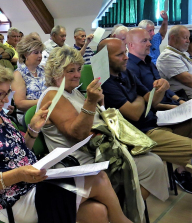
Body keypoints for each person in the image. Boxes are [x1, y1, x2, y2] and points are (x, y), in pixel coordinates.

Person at [0, 61, 132, 223]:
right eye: (0, 94)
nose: (5, 99)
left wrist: (32, 130)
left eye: (7, 93)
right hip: (11, 200)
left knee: (97, 211)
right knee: (99, 179)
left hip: (30, 184)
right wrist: (18, 175)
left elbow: (18, 153)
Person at [37, 45, 168, 222]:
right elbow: (77, 134)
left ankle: (121, 209)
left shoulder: (72, 92)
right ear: (55, 72)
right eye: (70, 71)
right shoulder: (53, 95)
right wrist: (91, 102)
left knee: (153, 162)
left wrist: (101, 105)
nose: (77, 75)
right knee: (150, 165)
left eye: (78, 69)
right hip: (78, 157)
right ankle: (121, 212)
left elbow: (95, 121)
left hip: (96, 149)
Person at [100, 38, 192, 193]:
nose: (126, 57)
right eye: (120, 54)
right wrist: (142, 98)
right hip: (142, 134)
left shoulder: (125, 72)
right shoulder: (105, 83)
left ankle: (183, 171)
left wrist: (161, 89)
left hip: (157, 123)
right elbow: (135, 114)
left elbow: (151, 101)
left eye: (126, 52)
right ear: (104, 58)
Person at [126, 28, 184, 109]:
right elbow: (145, 101)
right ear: (131, 45)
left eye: (149, 40)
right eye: (144, 41)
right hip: (159, 110)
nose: (149, 44)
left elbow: (164, 89)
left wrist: (181, 101)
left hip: (171, 103)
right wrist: (176, 107)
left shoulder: (149, 62)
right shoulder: (129, 68)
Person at [12, 34, 46, 124]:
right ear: (26, 54)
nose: (40, 56)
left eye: (40, 52)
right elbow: (20, 104)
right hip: (28, 114)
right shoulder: (18, 74)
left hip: (46, 111)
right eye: (36, 53)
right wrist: (43, 102)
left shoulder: (43, 70)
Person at [156, 25, 192, 99]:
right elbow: (188, 80)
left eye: (188, 38)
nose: (188, 41)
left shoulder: (182, 53)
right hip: (184, 99)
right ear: (173, 38)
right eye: (185, 38)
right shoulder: (167, 56)